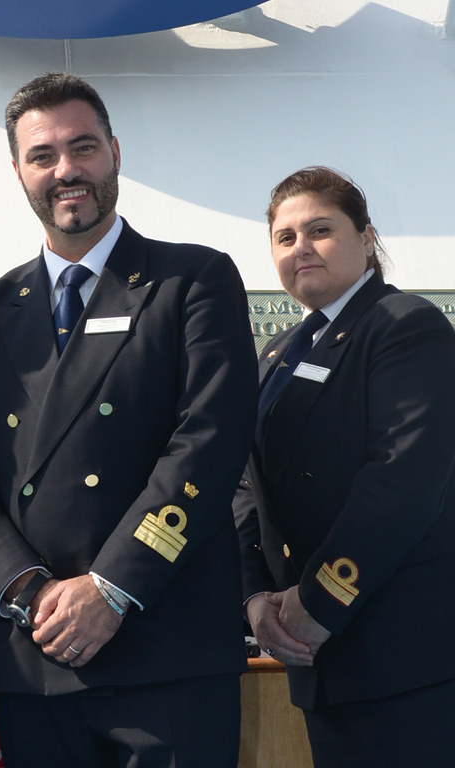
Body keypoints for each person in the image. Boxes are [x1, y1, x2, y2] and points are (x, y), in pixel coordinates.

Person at [0, 72, 258, 768]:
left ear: (114, 151)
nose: (66, 170)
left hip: (165, 648)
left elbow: (207, 445)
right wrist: (27, 593)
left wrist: (111, 587)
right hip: (36, 655)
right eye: (43, 155)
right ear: (18, 171)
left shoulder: (192, 281)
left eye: (82, 148)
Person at [234, 166, 455, 767]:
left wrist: (318, 601)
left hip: (401, 655)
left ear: (366, 237)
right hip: (319, 660)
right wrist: (257, 596)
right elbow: (246, 487)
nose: (300, 247)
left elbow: (403, 482)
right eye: (284, 237)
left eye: (320, 230)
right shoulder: (276, 355)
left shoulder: (405, 326)